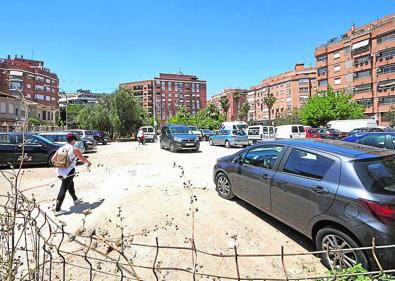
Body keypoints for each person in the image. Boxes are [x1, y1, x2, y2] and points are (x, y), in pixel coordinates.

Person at [51, 132, 92, 216]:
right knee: (63, 188)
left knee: (70, 184)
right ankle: (57, 209)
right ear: (73, 140)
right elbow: (82, 158)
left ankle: (75, 199)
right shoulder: (74, 149)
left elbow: (52, 160)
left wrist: (61, 164)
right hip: (69, 171)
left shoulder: (61, 148)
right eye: (75, 140)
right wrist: (88, 163)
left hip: (59, 172)